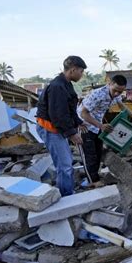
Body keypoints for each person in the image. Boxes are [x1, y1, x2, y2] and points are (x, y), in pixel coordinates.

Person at [35, 56, 87, 196]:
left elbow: (69, 109)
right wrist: (72, 134)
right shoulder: (57, 87)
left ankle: (66, 190)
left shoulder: (66, 84)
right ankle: (66, 197)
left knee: (67, 162)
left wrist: (78, 122)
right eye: (81, 71)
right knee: (64, 166)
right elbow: (58, 115)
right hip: (50, 129)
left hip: (57, 128)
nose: (82, 75)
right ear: (73, 70)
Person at [78, 74, 132, 183]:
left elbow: (122, 106)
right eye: (115, 90)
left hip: (97, 125)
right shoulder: (97, 95)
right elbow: (83, 113)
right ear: (109, 84)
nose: (117, 94)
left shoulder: (117, 94)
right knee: (90, 155)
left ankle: (95, 176)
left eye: (120, 91)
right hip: (84, 125)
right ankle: (92, 182)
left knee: (98, 153)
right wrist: (100, 126)